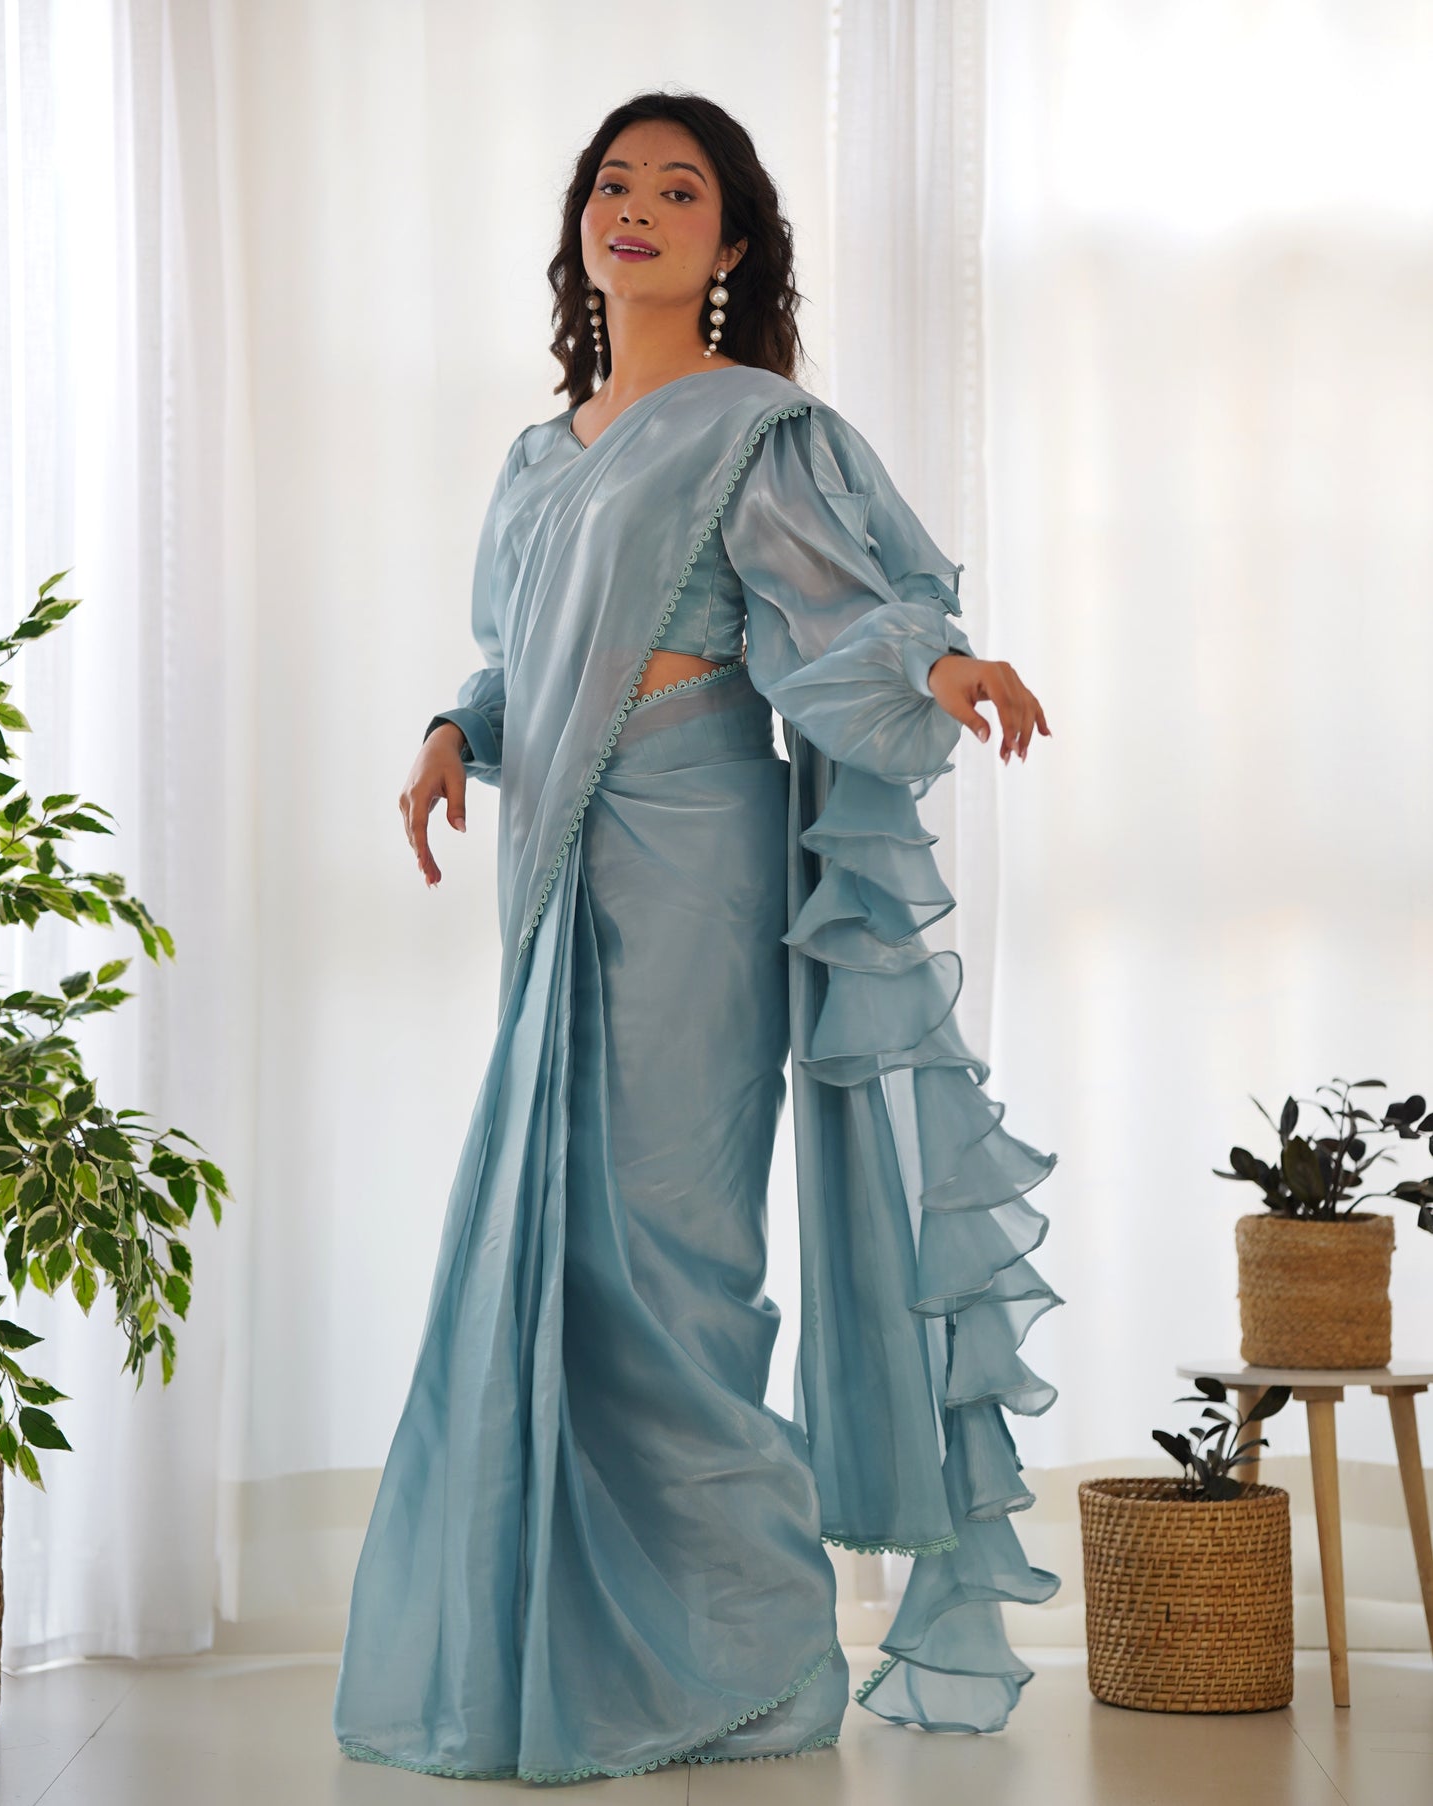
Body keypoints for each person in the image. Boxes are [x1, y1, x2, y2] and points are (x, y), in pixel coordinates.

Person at [333, 91, 1063, 1786]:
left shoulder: (756, 425)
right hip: (552, 862)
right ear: (580, 228)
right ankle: (589, 1653)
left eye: (680, 191)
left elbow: (843, 612)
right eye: (615, 184)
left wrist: (939, 665)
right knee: (565, 1255)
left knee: (673, 1256)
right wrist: (451, 732)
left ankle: (749, 1658)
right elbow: (517, 662)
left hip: (696, 853)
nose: (639, 209)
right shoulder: (540, 460)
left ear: (729, 244)